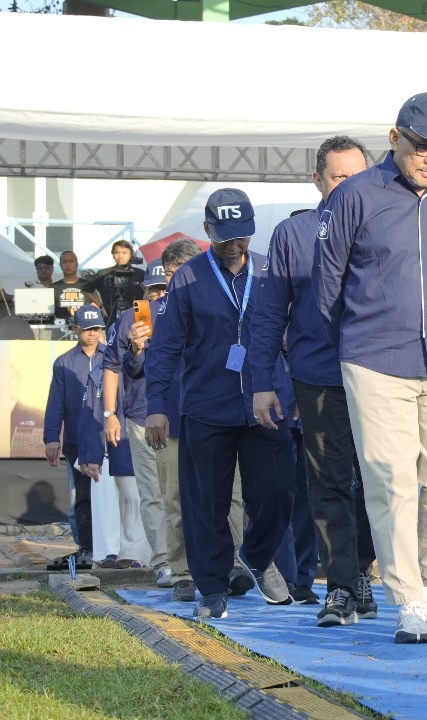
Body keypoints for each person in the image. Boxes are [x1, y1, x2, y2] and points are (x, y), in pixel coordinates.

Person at [313, 91, 427, 644]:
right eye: (423, 147)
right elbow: (327, 286)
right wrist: (362, 339)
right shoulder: (355, 196)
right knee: (390, 481)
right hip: (376, 359)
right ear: (395, 139)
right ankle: (407, 596)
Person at [145, 188, 297, 620]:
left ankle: (253, 554)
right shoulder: (188, 277)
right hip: (207, 406)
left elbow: (291, 337)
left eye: (243, 235)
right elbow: (166, 346)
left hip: (266, 406)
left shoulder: (270, 272)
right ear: (208, 230)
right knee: (204, 504)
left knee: (277, 492)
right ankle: (212, 589)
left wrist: (298, 393)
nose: (236, 244)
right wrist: (157, 403)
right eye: (226, 235)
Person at [251, 135, 375, 628]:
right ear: (318, 180)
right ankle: (341, 586)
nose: (349, 186)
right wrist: (263, 379)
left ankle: (362, 568)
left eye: (357, 176)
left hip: (380, 371)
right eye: (339, 177)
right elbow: (268, 313)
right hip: (318, 375)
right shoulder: (294, 234)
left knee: (379, 480)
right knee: (328, 484)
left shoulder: (389, 224)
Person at [101, 261, 171, 586]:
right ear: (143, 289)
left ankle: (186, 558)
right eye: (153, 288)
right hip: (140, 415)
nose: (158, 294)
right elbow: (112, 366)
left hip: (181, 413)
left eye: (163, 288)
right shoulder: (129, 318)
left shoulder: (182, 311)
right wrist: (109, 413)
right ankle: (163, 561)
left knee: (181, 492)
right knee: (152, 493)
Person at [74, 302, 152, 569]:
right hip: (114, 444)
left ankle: (142, 554)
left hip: (139, 437)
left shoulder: (142, 365)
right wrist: (90, 454)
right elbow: (92, 412)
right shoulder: (100, 372)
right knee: (124, 501)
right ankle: (122, 553)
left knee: (142, 498)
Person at [44, 302, 109, 563]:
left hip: (110, 440)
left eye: (96, 328)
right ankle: (86, 548)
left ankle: (113, 547)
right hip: (76, 441)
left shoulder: (113, 357)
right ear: (75, 329)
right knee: (80, 497)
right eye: (86, 329)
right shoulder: (64, 363)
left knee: (113, 498)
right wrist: (51, 438)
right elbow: (55, 402)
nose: (91, 333)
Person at [83, 239, 145, 324]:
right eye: (117, 253)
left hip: (135, 319)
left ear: (131, 255)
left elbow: (149, 292)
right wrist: (101, 306)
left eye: (124, 253)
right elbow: (86, 289)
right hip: (111, 319)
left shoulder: (140, 274)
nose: (120, 256)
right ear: (113, 255)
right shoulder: (104, 274)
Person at [54, 250, 87, 321]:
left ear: (77, 264)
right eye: (64, 262)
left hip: (85, 325)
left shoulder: (88, 285)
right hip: (59, 326)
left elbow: (95, 306)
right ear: (60, 265)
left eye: (71, 261)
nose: (68, 265)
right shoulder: (53, 287)